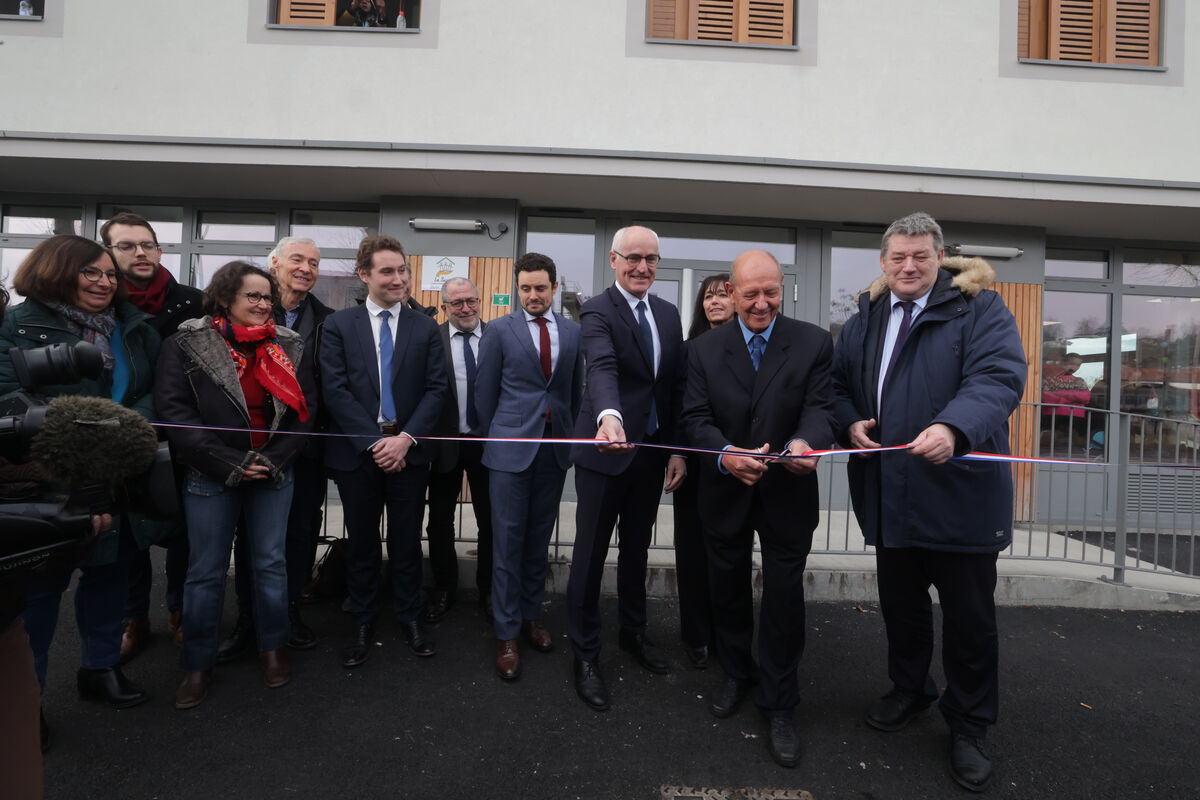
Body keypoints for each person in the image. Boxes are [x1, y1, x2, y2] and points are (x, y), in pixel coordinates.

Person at [830, 212, 1026, 793]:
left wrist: (954, 427)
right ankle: (910, 689)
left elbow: (998, 377)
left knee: (969, 621)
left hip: (959, 495)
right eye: (898, 257)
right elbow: (839, 385)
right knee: (903, 608)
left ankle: (968, 726)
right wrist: (848, 425)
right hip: (891, 494)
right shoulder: (864, 317)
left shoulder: (979, 308)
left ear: (940, 258)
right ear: (884, 263)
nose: (909, 266)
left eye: (920, 256)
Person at [681, 251, 834, 768]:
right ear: (733, 291)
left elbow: (821, 407)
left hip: (788, 492)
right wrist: (725, 455)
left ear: (782, 289)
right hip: (724, 491)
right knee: (726, 590)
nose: (762, 303)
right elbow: (694, 417)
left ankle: (780, 700)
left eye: (771, 292)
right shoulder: (704, 349)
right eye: (751, 294)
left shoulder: (813, 341)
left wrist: (806, 441)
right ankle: (736, 672)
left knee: (785, 599)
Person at [0, 235, 159, 721]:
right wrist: (91, 434)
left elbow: (151, 392)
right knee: (39, 596)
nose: (105, 282)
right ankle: (27, 705)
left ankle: (100, 668)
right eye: (92, 272)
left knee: (109, 577)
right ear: (56, 270)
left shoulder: (133, 329)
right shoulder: (16, 327)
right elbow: (8, 401)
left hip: (117, 475)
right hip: (45, 480)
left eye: (110, 274)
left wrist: (132, 431)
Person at [155, 261, 316, 709]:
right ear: (225, 298)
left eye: (268, 297)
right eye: (254, 296)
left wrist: (271, 461)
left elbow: (305, 416)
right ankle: (197, 664)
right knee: (205, 572)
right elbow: (176, 415)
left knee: (270, 565)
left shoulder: (290, 344)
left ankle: (272, 649)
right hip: (211, 474)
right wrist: (231, 463)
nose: (264, 305)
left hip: (273, 472)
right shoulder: (187, 343)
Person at [566, 225, 687, 712]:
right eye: (633, 258)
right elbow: (603, 367)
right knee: (590, 555)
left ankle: (633, 634)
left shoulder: (667, 312)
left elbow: (673, 388)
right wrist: (609, 417)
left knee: (636, 552)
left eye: (652, 259)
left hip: (651, 453)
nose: (642, 267)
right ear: (614, 260)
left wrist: (676, 449)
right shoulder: (597, 308)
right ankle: (586, 652)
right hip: (604, 451)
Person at [320, 235, 447, 668]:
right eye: (388, 271)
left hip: (408, 451)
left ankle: (410, 616)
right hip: (359, 454)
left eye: (403, 270)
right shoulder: (338, 326)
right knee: (361, 541)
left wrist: (404, 440)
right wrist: (374, 443)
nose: (399, 279)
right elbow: (334, 390)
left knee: (408, 540)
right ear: (364, 275)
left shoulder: (425, 327)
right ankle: (362, 619)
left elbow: (436, 390)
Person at [220, 237, 333, 661]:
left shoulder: (326, 320)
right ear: (275, 262)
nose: (306, 268)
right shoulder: (241, 310)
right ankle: (249, 618)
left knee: (299, 534)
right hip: (246, 450)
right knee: (250, 537)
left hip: (302, 451)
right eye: (297, 260)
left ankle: (288, 612)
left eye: (314, 263)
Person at [100, 211, 203, 663]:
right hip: (118, 438)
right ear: (108, 253)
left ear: (160, 251)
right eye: (127, 245)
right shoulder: (100, 305)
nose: (140, 253)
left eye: (148, 245)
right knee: (126, 536)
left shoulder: (193, 303)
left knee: (182, 533)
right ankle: (133, 619)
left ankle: (179, 611)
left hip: (182, 438)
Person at [475, 254, 583, 681]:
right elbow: (484, 397)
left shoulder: (574, 333)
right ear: (517, 289)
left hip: (553, 452)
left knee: (538, 541)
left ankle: (529, 617)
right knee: (507, 543)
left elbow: (573, 393)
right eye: (525, 288)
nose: (533, 295)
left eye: (541, 287)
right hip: (508, 452)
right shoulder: (499, 331)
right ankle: (505, 633)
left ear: (555, 287)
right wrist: (499, 439)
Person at [673, 272, 734, 670]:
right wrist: (676, 453)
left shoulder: (747, 348)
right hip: (692, 466)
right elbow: (678, 409)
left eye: (721, 296)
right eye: (707, 297)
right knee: (692, 552)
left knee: (726, 554)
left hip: (732, 465)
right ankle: (696, 635)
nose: (714, 302)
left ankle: (727, 633)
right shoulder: (687, 349)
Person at [423, 277, 493, 623]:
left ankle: (489, 592)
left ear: (480, 301)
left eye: (471, 301)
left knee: (491, 522)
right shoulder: (430, 338)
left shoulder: (498, 337)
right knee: (439, 523)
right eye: (457, 303)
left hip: (488, 446)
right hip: (443, 446)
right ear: (445, 306)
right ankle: (445, 588)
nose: (466, 308)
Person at [686, 272, 735, 340]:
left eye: (722, 295)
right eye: (708, 296)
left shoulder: (750, 345)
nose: (714, 301)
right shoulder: (690, 348)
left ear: (736, 302)